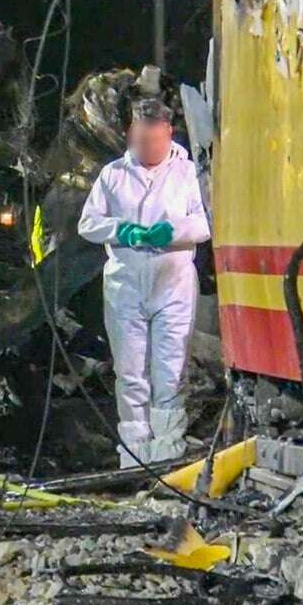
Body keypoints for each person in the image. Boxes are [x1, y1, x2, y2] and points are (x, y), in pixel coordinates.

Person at [77, 98, 211, 467]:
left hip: (174, 283)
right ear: (128, 134)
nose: (148, 149)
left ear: (168, 133)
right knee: (131, 371)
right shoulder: (113, 175)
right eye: (139, 141)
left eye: (154, 141)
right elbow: (87, 224)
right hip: (126, 285)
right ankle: (135, 456)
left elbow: (206, 223)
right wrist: (123, 230)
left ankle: (167, 452)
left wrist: (173, 232)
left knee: (169, 370)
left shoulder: (189, 174)